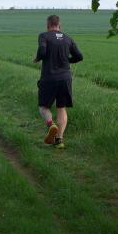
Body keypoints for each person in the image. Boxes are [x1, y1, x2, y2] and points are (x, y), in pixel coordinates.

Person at [33, 14, 83, 149]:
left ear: (48, 25)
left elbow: (42, 51)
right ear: (59, 26)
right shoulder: (68, 38)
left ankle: (51, 124)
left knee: (43, 107)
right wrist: (67, 60)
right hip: (65, 79)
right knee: (61, 108)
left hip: (49, 78)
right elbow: (79, 56)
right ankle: (59, 140)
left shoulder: (44, 36)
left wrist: (37, 58)